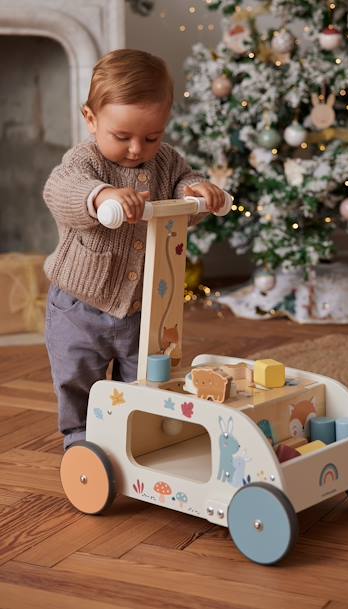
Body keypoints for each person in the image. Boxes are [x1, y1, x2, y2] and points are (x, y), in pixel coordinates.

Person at [43, 49, 226, 450]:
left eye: (152, 136)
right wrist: (100, 195)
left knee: (144, 377)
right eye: (122, 136)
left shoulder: (166, 161)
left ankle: (137, 436)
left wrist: (196, 191)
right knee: (78, 377)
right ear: (91, 119)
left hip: (144, 306)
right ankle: (81, 439)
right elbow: (60, 190)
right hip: (79, 306)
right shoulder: (83, 161)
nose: (136, 148)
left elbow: (182, 184)